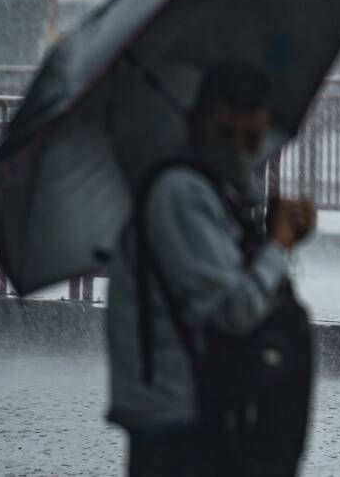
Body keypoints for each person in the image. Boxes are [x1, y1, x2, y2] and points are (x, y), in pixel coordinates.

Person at [105, 63, 316, 476]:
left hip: (202, 412)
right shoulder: (180, 193)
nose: (238, 150)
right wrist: (277, 245)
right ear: (197, 125)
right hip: (176, 422)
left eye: (251, 138)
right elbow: (233, 310)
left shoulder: (215, 191)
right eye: (225, 134)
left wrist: (272, 234)